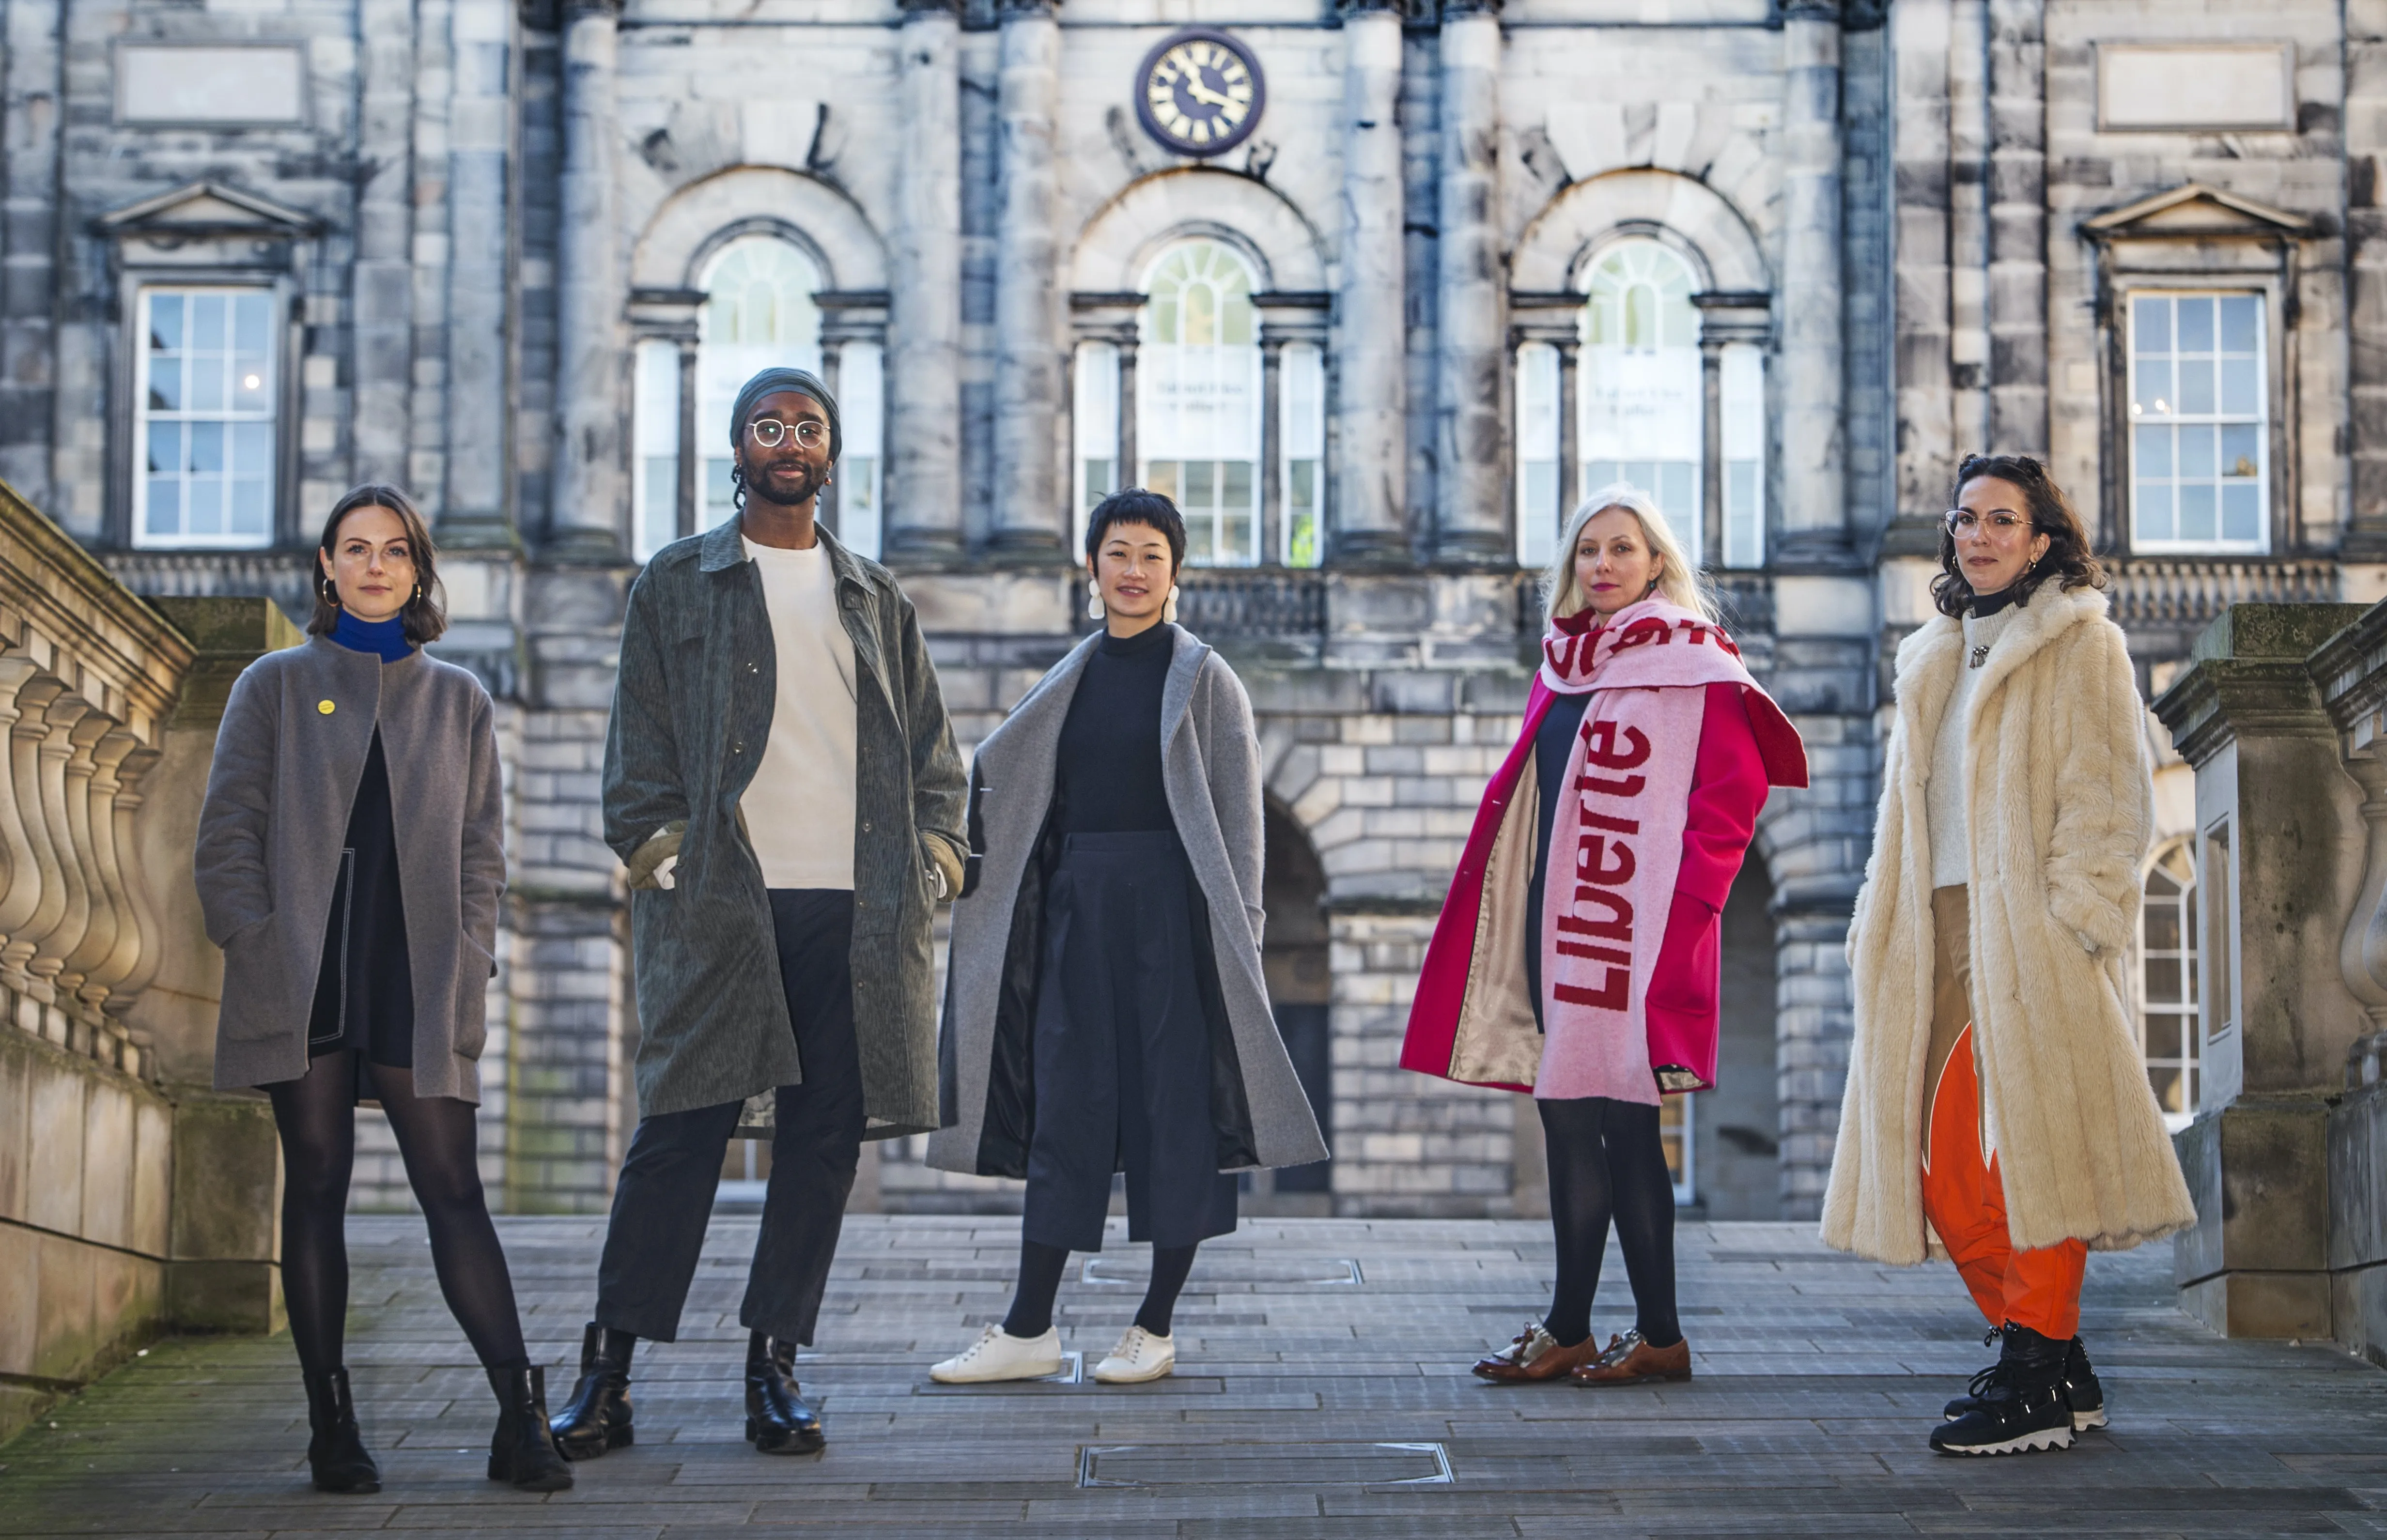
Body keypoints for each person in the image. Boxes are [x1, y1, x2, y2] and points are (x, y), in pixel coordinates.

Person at [550, 367, 967, 1460]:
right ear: (737, 451)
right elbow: (637, 742)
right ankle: (608, 1373)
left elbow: (933, 752)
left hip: (856, 902)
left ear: (831, 455)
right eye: (768, 426)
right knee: (678, 1129)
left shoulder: (875, 595)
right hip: (722, 899)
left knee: (822, 1141)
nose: (790, 442)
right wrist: (660, 851)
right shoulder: (675, 583)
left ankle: (774, 1365)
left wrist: (933, 854)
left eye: (809, 427)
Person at [194, 485, 571, 1495]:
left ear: (417, 570)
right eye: (354, 549)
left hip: (420, 969)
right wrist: (256, 940)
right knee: (314, 1184)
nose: (374, 566)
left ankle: (519, 1416)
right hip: (304, 970)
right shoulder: (272, 684)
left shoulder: (460, 699)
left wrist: (476, 953)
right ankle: (331, 1424)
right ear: (325, 565)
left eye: (394, 551)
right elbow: (226, 836)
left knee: (453, 1188)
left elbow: (482, 853)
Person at [1823, 454, 2196, 1456]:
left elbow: (2112, 797)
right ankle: (2056, 1360)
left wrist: (2074, 921)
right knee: (1944, 1177)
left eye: (2001, 520)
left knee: (2030, 1153)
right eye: (1964, 519)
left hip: (2026, 937)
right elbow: (1901, 818)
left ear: (2040, 539)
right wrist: (1874, 919)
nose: (1978, 535)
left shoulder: (2083, 645)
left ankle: (2031, 1365)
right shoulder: (1933, 655)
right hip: (1931, 934)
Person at [1401, 485, 1807, 1389]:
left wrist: (1687, 912)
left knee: (1627, 1129)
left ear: (1657, 561)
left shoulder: (1698, 663)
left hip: (1634, 928)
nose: (1604, 565)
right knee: (1566, 1122)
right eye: (1589, 551)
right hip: (1559, 926)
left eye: (1623, 549)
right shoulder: (1562, 666)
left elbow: (1731, 802)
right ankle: (1578, 1327)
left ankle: (1649, 1332)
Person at [925, 488, 1328, 1386]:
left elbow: (1239, 826)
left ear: (1174, 572)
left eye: (1151, 553)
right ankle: (1029, 1328)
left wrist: (1244, 939)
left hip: (1176, 920)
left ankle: (1154, 1324)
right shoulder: (1064, 682)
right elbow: (1005, 784)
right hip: (1077, 916)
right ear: (1094, 567)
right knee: (1064, 1107)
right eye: (1118, 552)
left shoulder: (1209, 679)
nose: (1133, 570)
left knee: (1175, 1114)